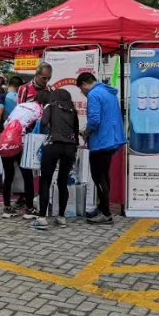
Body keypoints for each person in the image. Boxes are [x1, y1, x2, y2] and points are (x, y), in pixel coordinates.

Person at [77, 72, 126, 224]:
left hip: (101, 142)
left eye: (81, 89)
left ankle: (106, 214)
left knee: (98, 177)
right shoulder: (109, 93)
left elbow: (94, 120)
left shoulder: (94, 94)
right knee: (104, 176)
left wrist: (85, 132)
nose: (83, 92)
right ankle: (102, 207)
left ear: (84, 84)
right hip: (111, 139)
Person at [32, 89, 79, 230]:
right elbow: (75, 131)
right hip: (70, 148)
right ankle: (61, 217)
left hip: (53, 145)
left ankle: (42, 218)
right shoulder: (72, 110)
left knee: (45, 181)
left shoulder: (50, 106)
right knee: (63, 182)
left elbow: (44, 123)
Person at [0, 91, 49, 220]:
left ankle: (7, 208)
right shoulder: (40, 110)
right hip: (21, 144)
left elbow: (6, 123)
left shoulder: (20, 105)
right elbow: (39, 129)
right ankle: (29, 209)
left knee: (8, 175)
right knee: (27, 176)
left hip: (5, 141)